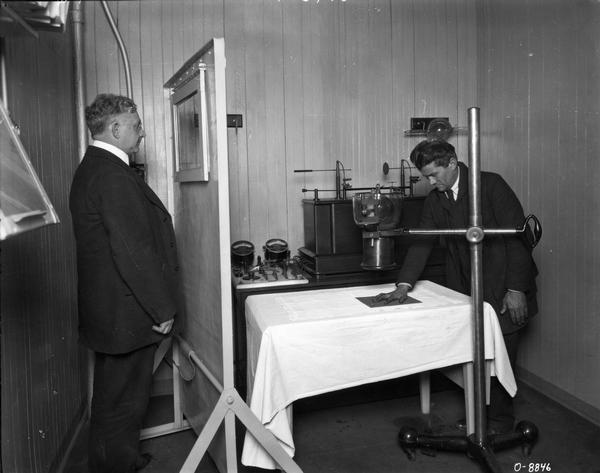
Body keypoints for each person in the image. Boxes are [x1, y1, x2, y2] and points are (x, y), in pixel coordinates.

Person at [376, 139, 538, 434]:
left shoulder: (490, 185)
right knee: (474, 353)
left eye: (433, 174)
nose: (430, 181)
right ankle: (479, 416)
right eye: (425, 176)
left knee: (501, 352)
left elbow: (519, 238)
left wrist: (516, 290)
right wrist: (403, 285)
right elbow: (423, 241)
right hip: (467, 285)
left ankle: (500, 425)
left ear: (452, 162)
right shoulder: (435, 199)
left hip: (504, 284)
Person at [70, 94, 180, 472]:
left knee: (114, 399)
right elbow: (133, 253)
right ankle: (115, 466)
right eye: (136, 125)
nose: (143, 132)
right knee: (122, 403)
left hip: (112, 311)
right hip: (126, 312)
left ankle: (120, 459)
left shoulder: (97, 168)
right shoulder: (112, 175)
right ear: (115, 129)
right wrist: (162, 309)